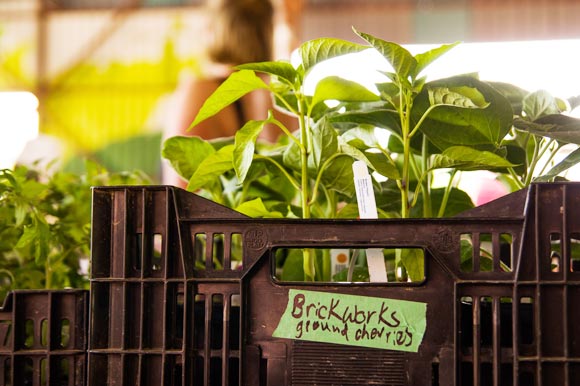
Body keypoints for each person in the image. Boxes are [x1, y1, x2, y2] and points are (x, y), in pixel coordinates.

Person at [163, 0, 294, 186]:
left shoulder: (199, 91)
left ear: (215, 27)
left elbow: (178, 190)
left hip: (206, 212)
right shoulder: (271, 94)